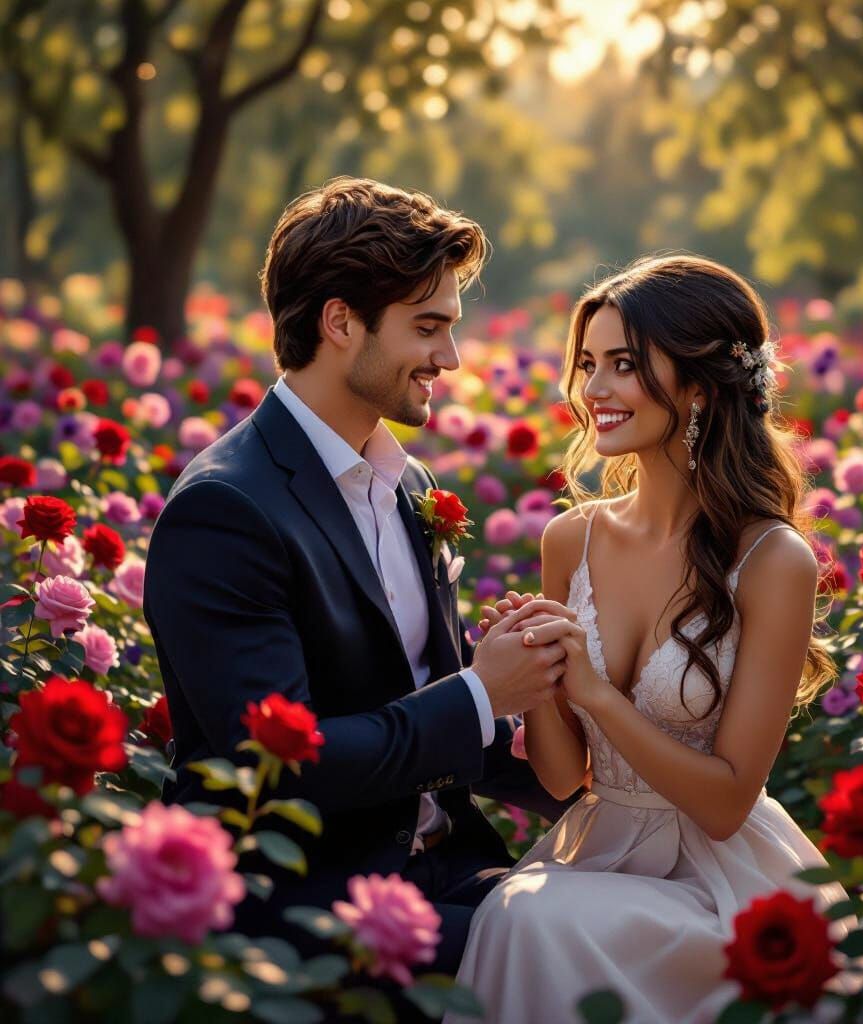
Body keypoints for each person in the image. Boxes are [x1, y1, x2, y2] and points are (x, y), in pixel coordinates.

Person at [143, 177, 575, 976]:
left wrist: (611, 780)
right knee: (592, 960)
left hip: (446, 869)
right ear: (340, 322)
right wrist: (482, 693)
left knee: (650, 919)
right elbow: (285, 765)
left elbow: (437, 713)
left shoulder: (410, 486)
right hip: (312, 904)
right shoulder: (225, 510)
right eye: (427, 327)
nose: (449, 357)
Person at [448, 255, 848, 1023]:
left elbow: (727, 803)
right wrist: (540, 674)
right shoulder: (571, 539)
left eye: (624, 365)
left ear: (699, 385)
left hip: (717, 883)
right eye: (588, 364)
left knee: (529, 919)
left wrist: (596, 692)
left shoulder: (772, 560)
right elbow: (562, 779)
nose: (593, 389)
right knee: (523, 913)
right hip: (595, 853)